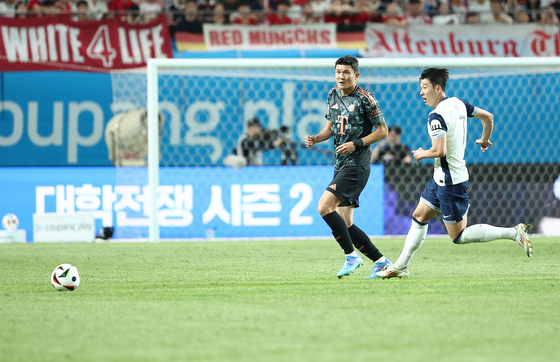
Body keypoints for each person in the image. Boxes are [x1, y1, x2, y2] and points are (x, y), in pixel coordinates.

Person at [376, 68, 532, 279]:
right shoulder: (458, 103)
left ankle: (514, 233)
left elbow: (440, 151)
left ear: (437, 88)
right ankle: (401, 266)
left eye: (424, 87)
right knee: (419, 216)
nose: (421, 93)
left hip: (450, 181)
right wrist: (485, 139)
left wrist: (422, 153)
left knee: (458, 236)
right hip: (442, 177)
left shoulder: (436, 116)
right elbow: (488, 117)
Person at [304, 55, 392, 279]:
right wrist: (315, 138)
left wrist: (356, 144)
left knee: (324, 207)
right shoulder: (332, 94)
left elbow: (383, 131)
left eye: (346, 72)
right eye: (338, 72)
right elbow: (331, 128)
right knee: (345, 222)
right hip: (340, 164)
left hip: (357, 165)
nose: (341, 76)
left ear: (356, 75)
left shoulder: (365, 98)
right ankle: (381, 262)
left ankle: (350, 256)